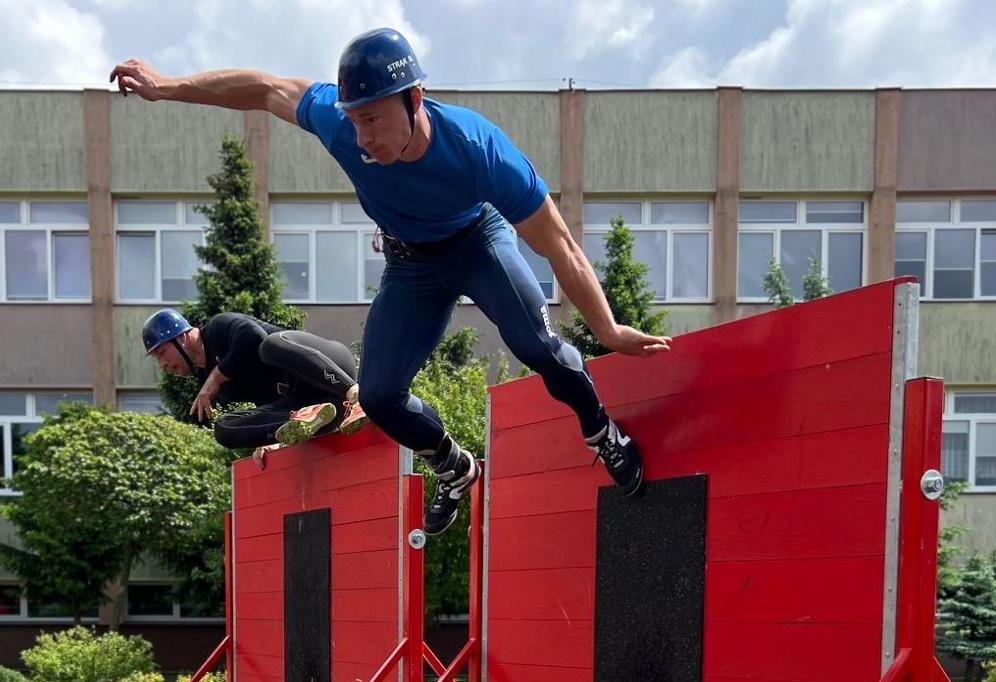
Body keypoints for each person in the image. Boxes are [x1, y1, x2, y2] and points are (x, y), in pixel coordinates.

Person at [113, 27, 670, 535]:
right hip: (411, 266)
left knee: (536, 345)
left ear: (415, 100)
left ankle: (602, 432)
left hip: (477, 241)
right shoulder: (338, 122)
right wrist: (166, 86)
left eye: (374, 120)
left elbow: (560, 245)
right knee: (377, 396)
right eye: (355, 120)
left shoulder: (479, 149)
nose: (362, 138)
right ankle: (455, 467)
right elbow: (263, 87)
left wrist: (609, 329)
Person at [143, 308, 367, 452]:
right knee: (223, 428)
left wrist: (215, 378)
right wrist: (271, 441)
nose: (162, 365)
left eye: (161, 353)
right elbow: (267, 402)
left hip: (331, 370)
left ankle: (355, 394)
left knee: (269, 346)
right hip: (323, 408)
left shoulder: (216, 328)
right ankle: (302, 419)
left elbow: (253, 337)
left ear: (182, 337)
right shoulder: (220, 389)